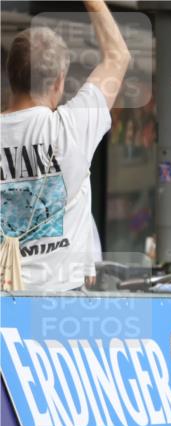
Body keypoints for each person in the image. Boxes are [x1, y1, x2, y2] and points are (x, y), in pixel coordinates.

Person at [1, 0, 129, 291]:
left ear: (11, 77)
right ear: (58, 82)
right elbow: (117, 56)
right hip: (58, 304)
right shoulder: (72, 128)